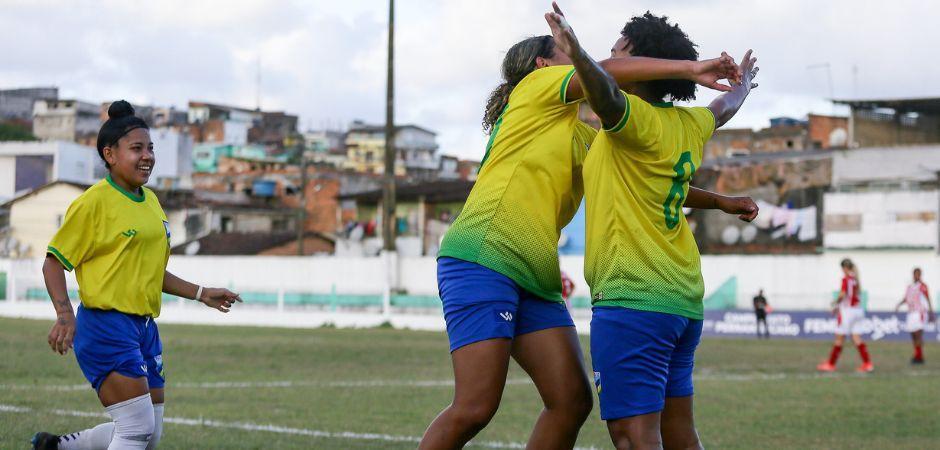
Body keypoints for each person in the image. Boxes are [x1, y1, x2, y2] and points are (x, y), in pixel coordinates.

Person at [420, 18, 741, 449]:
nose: (585, 62)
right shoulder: (533, 90)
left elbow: (647, 177)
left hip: (536, 274)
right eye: (570, 57)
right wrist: (688, 69)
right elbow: (604, 72)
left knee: (571, 401)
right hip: (484, 257)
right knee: (476, 406)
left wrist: (718, 201)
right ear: (543, 66)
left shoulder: (584, 136)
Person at [545, 4, 759, 450]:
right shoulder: (690, 123)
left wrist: (578, 54)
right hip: (681, 300)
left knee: (633, 438)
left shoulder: (630, 120)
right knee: (680, 436)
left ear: (642, 64)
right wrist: (743, 87)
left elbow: (604, 88)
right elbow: (723, 107)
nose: (612, 59)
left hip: (634, 301)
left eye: (619, 52)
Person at [32, 101, 241, 450]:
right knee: (136, 428)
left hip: (144, 328)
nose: (147, 156)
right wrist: (65, 314)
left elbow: (150, 271)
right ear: (110, 154)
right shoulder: (93, 203)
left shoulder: (151, 202)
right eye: (136, 148)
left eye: (150, 148)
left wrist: (201, 292)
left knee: (149, 434)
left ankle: (56, 447)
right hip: (105, 326)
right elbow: (53, 262)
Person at [817, 258, 873, 373]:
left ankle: (831, 364)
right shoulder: (856, 279)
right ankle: (868, 364)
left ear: (844, 268)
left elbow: (843, 295)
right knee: (856, 338)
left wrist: (835, 303)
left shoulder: (846, 279)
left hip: (848, 312)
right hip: (858, 310)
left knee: (839, 338)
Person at [895, 268, 934, 364]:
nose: (916, 276)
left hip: (919, 313)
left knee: (918, 335)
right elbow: (906, 298)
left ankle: (919, 357)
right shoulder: (910, 286)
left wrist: (930, 312)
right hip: (911, 313)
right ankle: (917, 355)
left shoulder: (922, 286)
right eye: (915, 274)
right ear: (913, 275)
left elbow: (928, 298)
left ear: (920, 275)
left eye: (918, 274)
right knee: (913, 335)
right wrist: (899, 304)